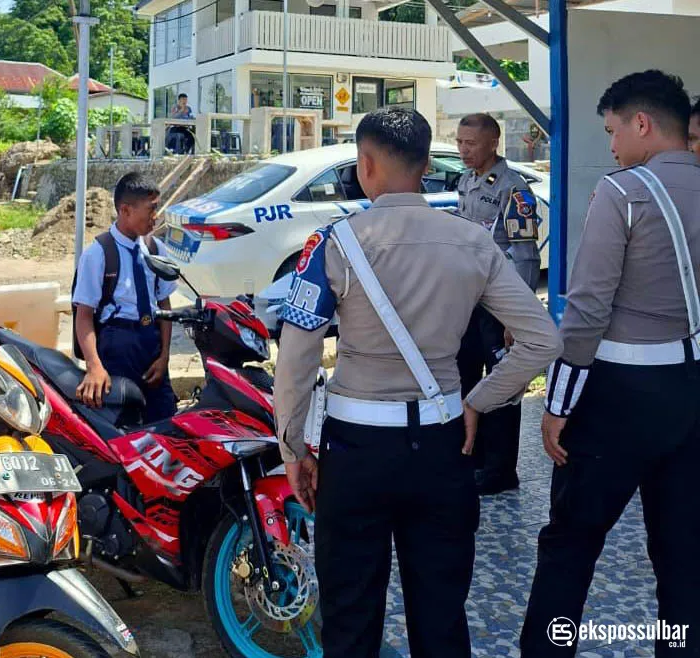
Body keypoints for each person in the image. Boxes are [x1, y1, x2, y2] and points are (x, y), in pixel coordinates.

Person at [274, 108, 561, 658]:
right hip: (443, 445)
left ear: (364, 164)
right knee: (441, 614)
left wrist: (293, 447)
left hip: (356, 451)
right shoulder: (473, 242)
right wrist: (479, 399)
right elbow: (543, 340)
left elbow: (297, 355)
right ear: (427, 165)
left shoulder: (333, 244)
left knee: (351, 617)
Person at [521, 70, 700, 657]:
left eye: (613, 131)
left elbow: (588, 307)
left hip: (620, 395)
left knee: (571, 543)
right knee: (683, 550)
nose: (613, 146)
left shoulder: (623, 192)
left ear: (642, 123)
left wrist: (559, 402)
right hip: (691, 389)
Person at [455, 112, 542, 495]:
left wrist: (514, 317)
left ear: (493, 142)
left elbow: (525, 257)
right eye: (459, 142)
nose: (463, 150)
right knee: (464, 375)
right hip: (469, 301)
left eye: (470, 143)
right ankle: (470, 457)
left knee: (504, 385)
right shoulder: (466, 180)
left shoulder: (513, 189)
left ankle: (501, 470)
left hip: (499, 304)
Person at [72, 172, 178, 423]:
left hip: (150, 345)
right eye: (151, 209)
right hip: (117, 347)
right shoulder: (98, 254)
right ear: (126, 210)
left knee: (165, 423)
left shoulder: (155, 249)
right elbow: (84, 316)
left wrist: (164, 356)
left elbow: (164, 305)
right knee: (122, 426)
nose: (156, 216)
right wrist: (94, 366)